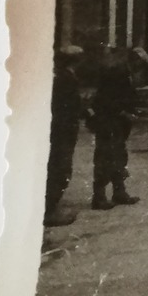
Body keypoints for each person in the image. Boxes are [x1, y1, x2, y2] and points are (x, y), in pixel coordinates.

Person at [88, 47, 141, 209]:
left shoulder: (125, 73)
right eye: (140, 65)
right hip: (108, 122)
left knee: (119, 157)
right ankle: (99, 197)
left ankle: (119, 192)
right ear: (134, 60)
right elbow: (105, 100)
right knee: (105, 158)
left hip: (117, 123)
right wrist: (123, 112)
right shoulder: (117, 74)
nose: (140, 69)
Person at [43, 46, 84, 226]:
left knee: (57, 167)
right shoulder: (66, 79)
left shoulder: (60, 76)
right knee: (60, 168)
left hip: (59, 129)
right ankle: (50, 211)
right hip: (63, 130)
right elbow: (68, 106)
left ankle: (51, 208)